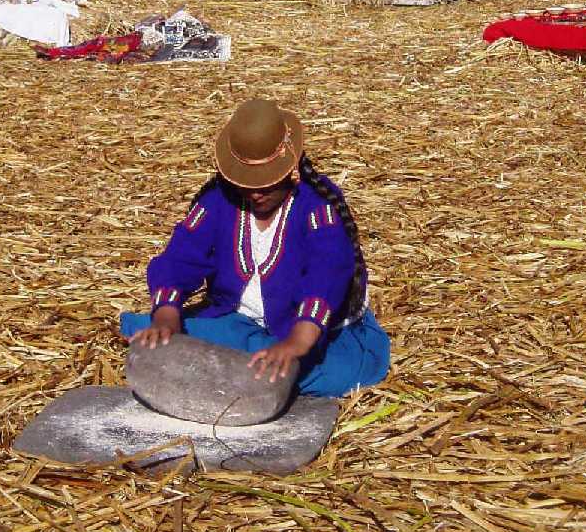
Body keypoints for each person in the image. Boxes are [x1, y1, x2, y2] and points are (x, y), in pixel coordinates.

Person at [120, 99, 390, 397]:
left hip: (313, 332)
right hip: (239, 321)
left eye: (267, 183)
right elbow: (181, 256)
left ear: (291, 170)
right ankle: (248, 362)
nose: (256, 194)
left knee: (332, 372)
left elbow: (328, 271)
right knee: (154, 331)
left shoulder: (317, 208)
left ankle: (256, 365)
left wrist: (297, 342)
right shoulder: (218, 201)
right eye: (247, 183)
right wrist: (166, 315)